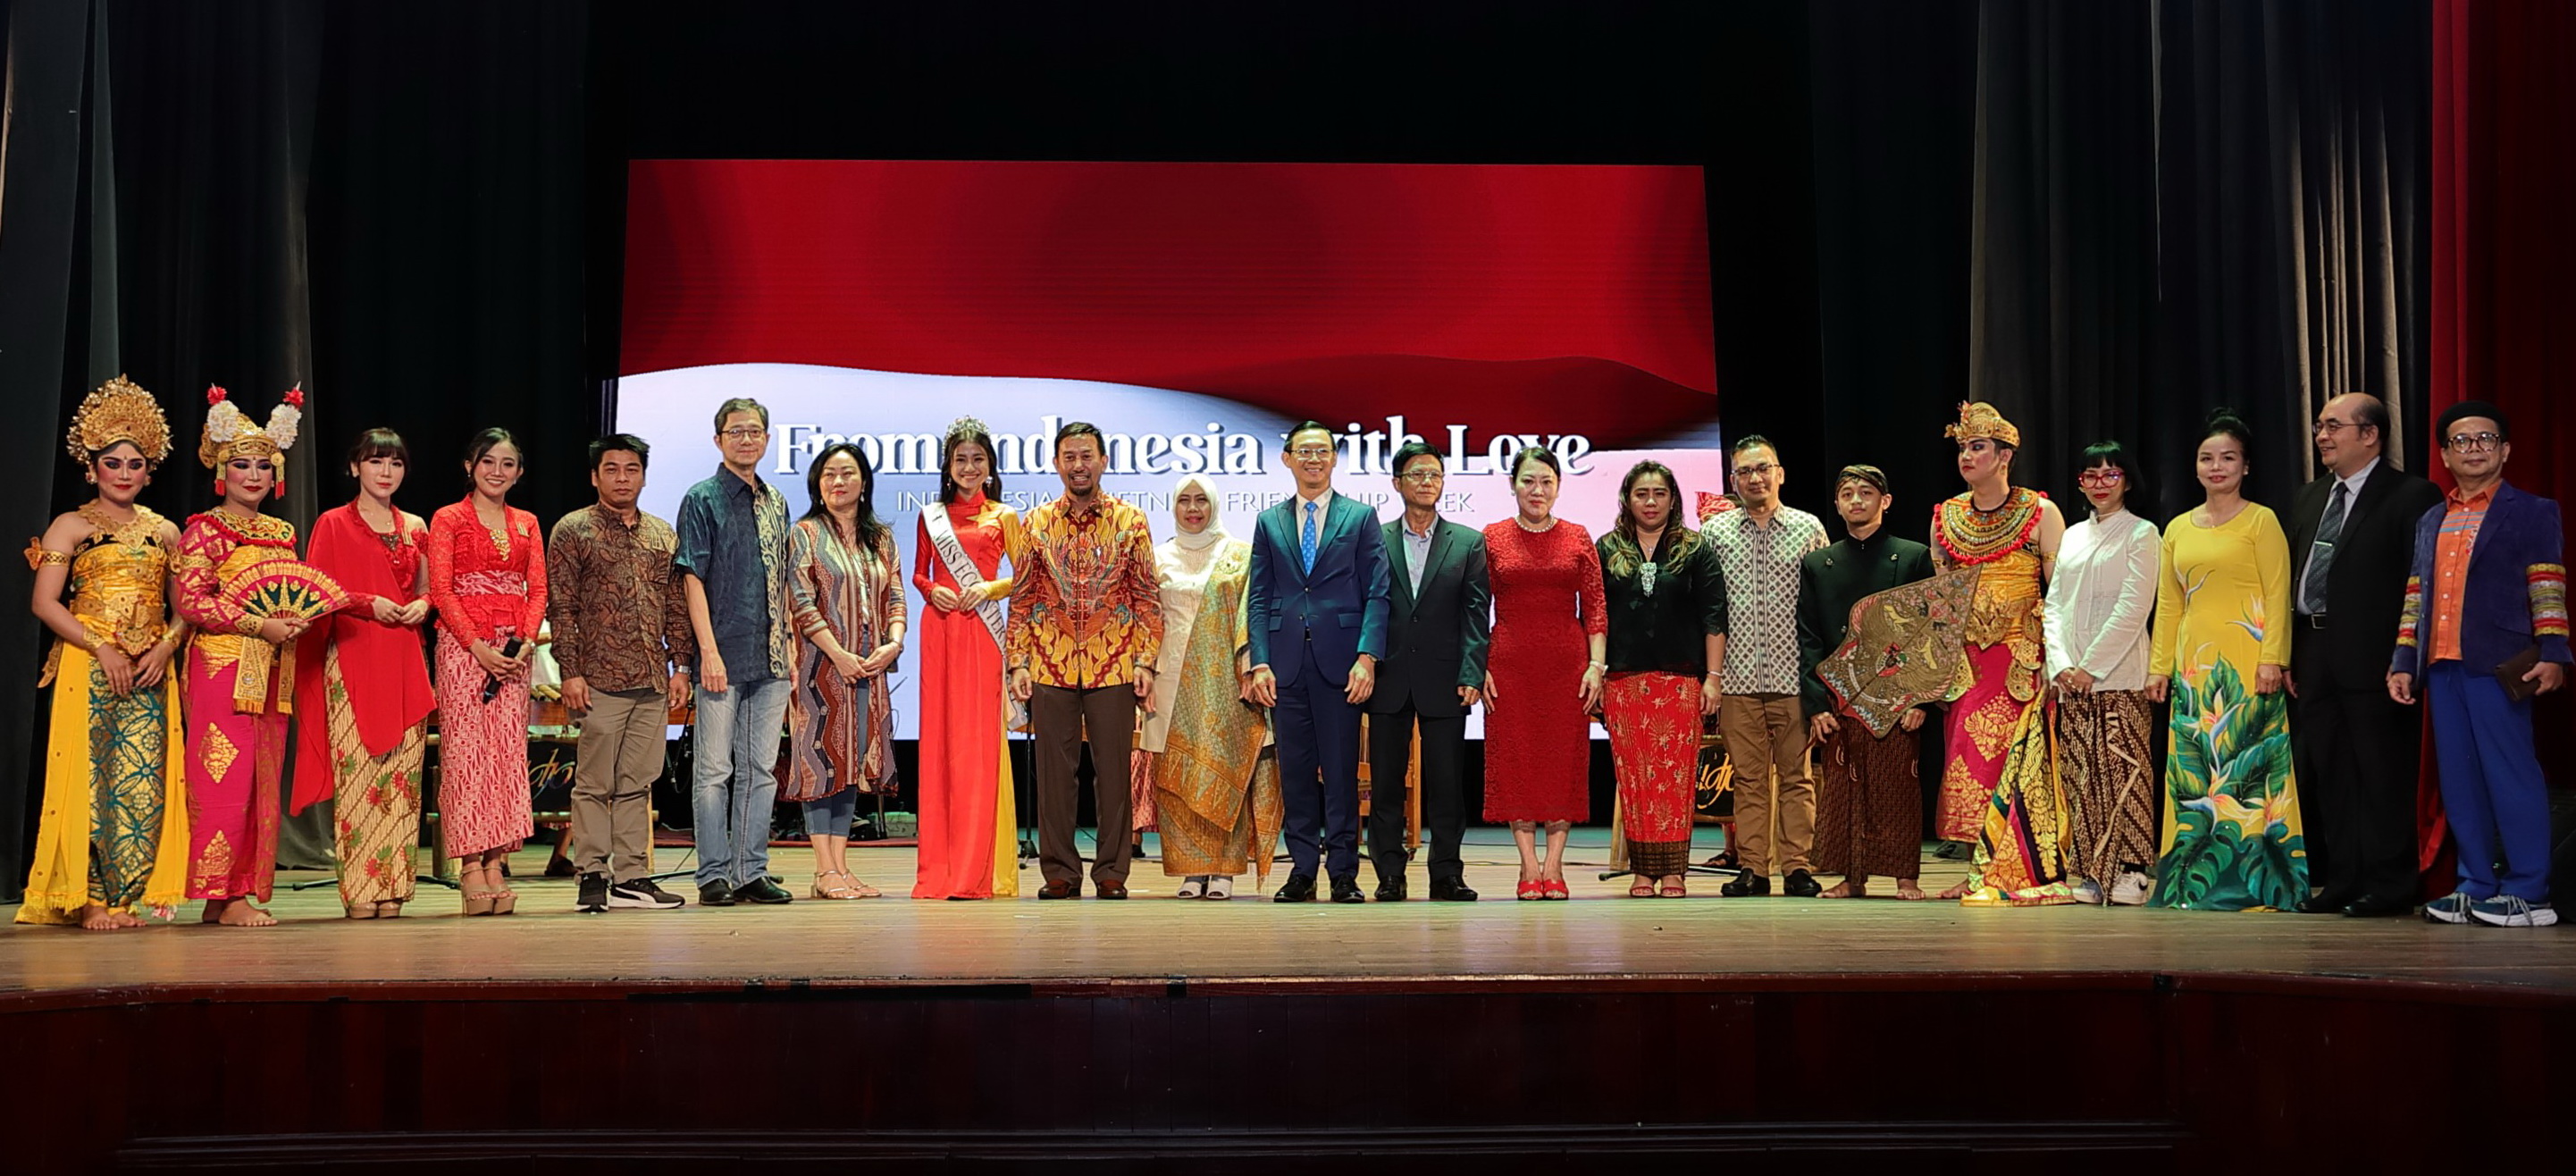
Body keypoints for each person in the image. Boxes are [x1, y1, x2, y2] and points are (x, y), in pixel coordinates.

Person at [18, 377, 189, 928]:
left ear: (149, 472)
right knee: (90, 780)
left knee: (142, 783)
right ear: (91, 469)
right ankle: (88, 896)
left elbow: (189, 604)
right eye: (111, 462)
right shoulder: (70, 526)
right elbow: (45, 603)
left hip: (149, 670)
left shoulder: (165, 531)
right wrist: (102, 648)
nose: (122, 472)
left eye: (133, 464)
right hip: (88, 665)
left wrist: (166, 646)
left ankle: (125, 897)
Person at [2392, 401, 2569, 928]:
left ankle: (2529, 891)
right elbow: (2415, 593)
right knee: (2460, 780)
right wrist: (2404, 657)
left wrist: (2555, 652)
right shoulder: (2433, 517)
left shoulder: (2532, 511)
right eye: (2462, 441)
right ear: (2445, 454)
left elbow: (2548, 584)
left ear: (2505, 449)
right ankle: (2475, 883)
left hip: (2499, 665)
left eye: (2485, 440)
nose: (2474, 449)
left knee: (2511, 775)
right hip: (2442, 665)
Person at [2285, 394, 2445, 918]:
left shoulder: (2412, 494)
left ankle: (2390, 885)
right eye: (2319, 426)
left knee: (2381, 774)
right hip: (2314, 651)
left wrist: (2405, 656)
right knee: (2331, 775)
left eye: (2334, 426)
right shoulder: (2310, 498)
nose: (2322, 436)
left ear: (2371, 434)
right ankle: (2342, 881)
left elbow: (2420, 582)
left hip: (2377, 659)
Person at [2145, 410, 2307, 911]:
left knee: (2251, 770)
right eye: (2207, 458)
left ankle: (2257, 882)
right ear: (2195, 467)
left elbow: (2278, 593)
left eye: (2228, 458)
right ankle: (2189, 878)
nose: (2217, 467)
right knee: (2195, 769)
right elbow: (2170, 603)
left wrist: (2272, 658)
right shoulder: (2176, 527)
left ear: (2246, 466)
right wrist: (2160, 667)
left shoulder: (2261, 521)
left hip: (2248, 660)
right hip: (2195, 667)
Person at [173, 385, 312, 928]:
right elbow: (190, 601)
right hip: (220, 664)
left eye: (261, 466)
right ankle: (219, 894)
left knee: (261, 779)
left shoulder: (281, 533)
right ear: (222, 473)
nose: (252, 476)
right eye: (241, 466)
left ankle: (241, 890)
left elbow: (292, 588)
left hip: (273, 667)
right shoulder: (205, 530)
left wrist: (294, 622)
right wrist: (260, 623)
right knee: (222, 777)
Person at [1008, 421, 1162, 901]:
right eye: (1070, 457)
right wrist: (1018, 663)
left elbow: (1147, 599)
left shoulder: (1130, 521)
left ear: (1104, 461)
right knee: (1055, 776)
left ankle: (1113, 872)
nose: (1079, 465)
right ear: (1056, 464)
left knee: (1113, 773)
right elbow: (1022, 598)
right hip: (1050, 663)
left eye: (1087, 456)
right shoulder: (1035, 524)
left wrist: (1145, 660)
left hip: (1114, 663)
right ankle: (1060, 872)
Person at [1930, 402, 2075, 906]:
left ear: (2005, 454)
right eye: (1963, 448)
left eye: (1978, 447)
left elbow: (2059, 595)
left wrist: (2057, 657)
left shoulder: (2041, 512)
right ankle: (1973, 872)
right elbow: (1942, 606)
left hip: (2022, 659)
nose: (1967, 457)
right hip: (1970, 662)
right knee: (1968, 760)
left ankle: (2019, 867)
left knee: (2019, 762)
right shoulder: (1946, 517)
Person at [292, 428, 435, 920]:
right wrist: (365, 602)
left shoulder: (416, 525)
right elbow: (315, 592)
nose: (385, 472)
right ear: (355, 468)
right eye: (375, 462)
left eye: (394, 464)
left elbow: (430, 588)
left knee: (402, 781)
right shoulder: (333, 523)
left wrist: (422, 604)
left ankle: (395, 888)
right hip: (352, 656)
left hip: (404, 660)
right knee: (360, 778)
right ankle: (359, 889)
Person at [547, 434, 693, 913]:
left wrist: (683, 666)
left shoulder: (661, 534)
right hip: (598, 678)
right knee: (594, 783)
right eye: (612, 469)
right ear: (595, 476)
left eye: (631, 469)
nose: (622, 478)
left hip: (652, 679)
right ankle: (592, 872)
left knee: (637, 781)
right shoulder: (573, 530)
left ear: (644, 475)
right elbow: (562, 607)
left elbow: (676, 607)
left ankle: (632, 876)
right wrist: (571, 672)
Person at [1247, 420, 1391, 905]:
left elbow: (1378, 593)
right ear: (1287, 458)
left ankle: (1345, 873)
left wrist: (1368, 656)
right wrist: (1259, 663)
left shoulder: (1360, 517)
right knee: (1295, 772)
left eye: (1322, 452)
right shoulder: (1270, 522)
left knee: (1341, 772)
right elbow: (1260, 598)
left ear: (1334, 459)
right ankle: (1303, 870)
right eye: (1303, 452)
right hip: (1285, 665)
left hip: (1342, 663)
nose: (1313, 460)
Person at [675, 398, 797, 908]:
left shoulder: (776, 502)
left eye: (755, 432)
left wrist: (788, 641)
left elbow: (785, 577)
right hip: (721, 655)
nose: (746, 440)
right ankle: (713, 875)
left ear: (767, 439)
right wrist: (707, 651)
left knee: (760, 770)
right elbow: (691, 577)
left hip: (770, 657)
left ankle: (751, 871)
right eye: (736, 432)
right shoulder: (702, 499)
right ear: (718, 439)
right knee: (713, 772)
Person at [1796, 465, 1935, 901]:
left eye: (1866, 492)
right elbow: (1809, 636)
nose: (1856, 500)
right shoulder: (1820, 563)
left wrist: (1921, 699)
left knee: (1898, 785)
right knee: (1842, 785)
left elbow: (1929, 632)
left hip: (1896, 693)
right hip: (1840, 692)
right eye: (1847, 494)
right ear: (1837, 504)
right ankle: (1851, 878)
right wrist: (1816, 705)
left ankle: (1905, 877)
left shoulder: (1911, 556)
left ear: (1885, 501)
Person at [1142, 474, 1280, 899]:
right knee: (1178, 777)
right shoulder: (1156, 556)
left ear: (1215, 505)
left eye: (1202, 500)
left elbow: (1250, 614)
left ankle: (1224, 869)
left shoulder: (1240, 555)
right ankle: (1190, 870)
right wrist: (1143, 666)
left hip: (1225, 679)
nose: (1193, 508)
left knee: (1226, 768)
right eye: (1184, 500)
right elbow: (1146, 615)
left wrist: (1250, 666)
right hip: (1169, 679)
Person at [427, 428, 547, 916]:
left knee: (506, 757)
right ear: (470, 466)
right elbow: (441, 589)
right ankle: (470, 865)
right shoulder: (449, 518)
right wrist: (477, 647)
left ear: (519, 472)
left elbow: (537, 589)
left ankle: (498, 861)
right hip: (464, 649)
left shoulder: (528, 522)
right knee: (466, 756)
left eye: (508, 463)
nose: (497, 471)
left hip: (514, 651)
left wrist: (522, 644)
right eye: (488, 462)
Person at [1479, 446, 1607, 901]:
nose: (1537, 490)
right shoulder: (1492, 537)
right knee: (1516, 762)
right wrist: (1479, 667)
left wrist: (1596, 665)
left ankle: (1554, 865)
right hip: (1509, 665)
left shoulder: (1577, 535)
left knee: (1561, 762)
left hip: (1566, 666)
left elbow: (1595, 608)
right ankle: (1527, 865)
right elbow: (1476, 611)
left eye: (1546, 482)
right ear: (1513, 485)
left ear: (1559, 486)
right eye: (1528, 481)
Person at [1364, 441, 1490, 902]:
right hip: (1387, 678)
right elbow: (1366, 608)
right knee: (1385, 787)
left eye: (1434, 475)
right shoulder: (1373, 538)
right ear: (1397, 484)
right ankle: (1389, 874)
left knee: (1447, 784)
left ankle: (1446, 873)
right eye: (1416, 475)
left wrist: (1473, 672)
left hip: (1446, 679)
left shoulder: (1467, 541)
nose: (1426, 483)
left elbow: (1477, 614)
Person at [1704, 435, 1829, 898]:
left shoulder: (1809, 528)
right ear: (1733, 480)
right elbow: (1709, 610)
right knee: (1749, 778)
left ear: (1780, 473)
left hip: (1794, 677)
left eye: (1763, 468)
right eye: (1744, 472)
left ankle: (1797, 866)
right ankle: (1753, 868)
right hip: (1736, 679)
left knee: (1798, 777)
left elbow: (1821, 606)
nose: (1755, 478)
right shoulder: (1715, 534)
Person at [2042, 441, 2163, 906]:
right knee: (2082, 775)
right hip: (2071, 682)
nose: (2100, 484)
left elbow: (2134, 607)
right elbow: (2054, 607)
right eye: (2090, 476)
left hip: (2119, 677)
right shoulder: (2072, 535)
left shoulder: (2141, 533)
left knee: (2123, 773)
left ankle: (2131, 872)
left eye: (2110, 475)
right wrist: (2062, 665)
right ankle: (2094, 870)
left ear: (2127, 481)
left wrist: (2091, 667)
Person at [785, 442, 907, 900]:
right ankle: (822, 869)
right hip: (821, 670)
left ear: (863, 481)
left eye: (848, 473)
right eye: (830, 474)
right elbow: (800, 602)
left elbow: (895, 595)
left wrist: (893, 644)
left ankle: (840, 865)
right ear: (818, 484)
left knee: (852, 764)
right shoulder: (804, 534)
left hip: (870, 670)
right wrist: (837, 654)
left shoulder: (881, 538)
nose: (839, 482)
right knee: (822, 763)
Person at [1598, 461, 1726, 897]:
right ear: (1626, 500)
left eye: (1658, 494)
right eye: (1641, 494)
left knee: (1674, 779)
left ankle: (1673, 871)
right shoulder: (1607, 548)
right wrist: (1596, 673)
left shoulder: (1695, 549)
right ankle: (1642, 871)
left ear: (1672, 499)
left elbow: (1714, 616)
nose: (1650, 502)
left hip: (1681, 680)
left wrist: (1713, 678)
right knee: (1635, 779)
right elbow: (1595, 618)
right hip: (1623, 680)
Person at [911, 417, 1025, 901]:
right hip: (940, 630)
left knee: (979, 744)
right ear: (948, 465)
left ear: (990, 465)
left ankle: (980, 866)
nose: (969, 467)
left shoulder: (1004, 516)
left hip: (982, 632)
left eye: (978, 459)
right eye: (961, 459)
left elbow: (1025, 578)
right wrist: (932, 588)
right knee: (941, 742)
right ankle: (942, 867)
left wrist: (990, 588)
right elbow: (918, 573)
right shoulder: (930, 515)